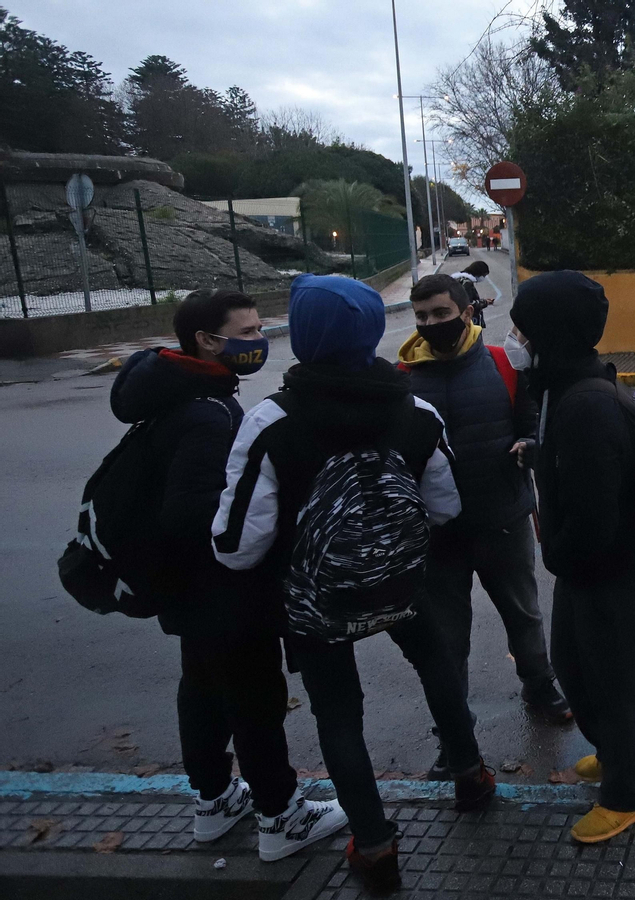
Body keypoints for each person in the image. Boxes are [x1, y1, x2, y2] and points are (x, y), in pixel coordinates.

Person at [212, 274, 495, 895]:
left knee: (339, 716)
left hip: (316, 604)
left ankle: (374, 844)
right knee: (437, 665)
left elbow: (236, 546)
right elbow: (445, 505)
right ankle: (471, 775)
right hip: (401, 584)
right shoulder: (414, 408)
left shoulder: (271, 420)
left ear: (305, 338)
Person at [109, 290, 347, 862]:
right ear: (207, 342)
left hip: (186, 590)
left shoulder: (177, 393)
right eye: (247, 330)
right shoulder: (207, 414)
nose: (258, 339)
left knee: (203, 691)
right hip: (221, 588)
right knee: (254, 697)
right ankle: (280, 816)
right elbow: (194, 513)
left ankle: (215, 801)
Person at [510, 270, 635, 844]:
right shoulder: (563, 385)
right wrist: (537, 455)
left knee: (616, 679)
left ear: (549, 333)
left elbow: (598, 514)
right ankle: (621, 750)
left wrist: (561, 557)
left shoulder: (587, 404)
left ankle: (630, 793)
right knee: (576, 667)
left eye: (522, 331)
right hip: (589, 566)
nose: (515, 341)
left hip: (612, 569)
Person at [398, 273, 570, 782]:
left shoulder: (502, 362)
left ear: (467, 312)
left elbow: (531, 421)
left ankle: (539, 685)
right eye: (423, 317)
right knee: (447, 635)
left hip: (502, 516)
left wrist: (528, 445)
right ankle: (455, 734)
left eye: (441, 314)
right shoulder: (404, 376)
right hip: (436, 531)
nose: (432, 325)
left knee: (523, 611)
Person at [452, 260, 500, 327]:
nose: (483, 278)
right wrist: (485, 302)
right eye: (484, 275)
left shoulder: (459, 280)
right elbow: (469, 304)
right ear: (479, 273)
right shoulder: (467, 283)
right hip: (470, 321)